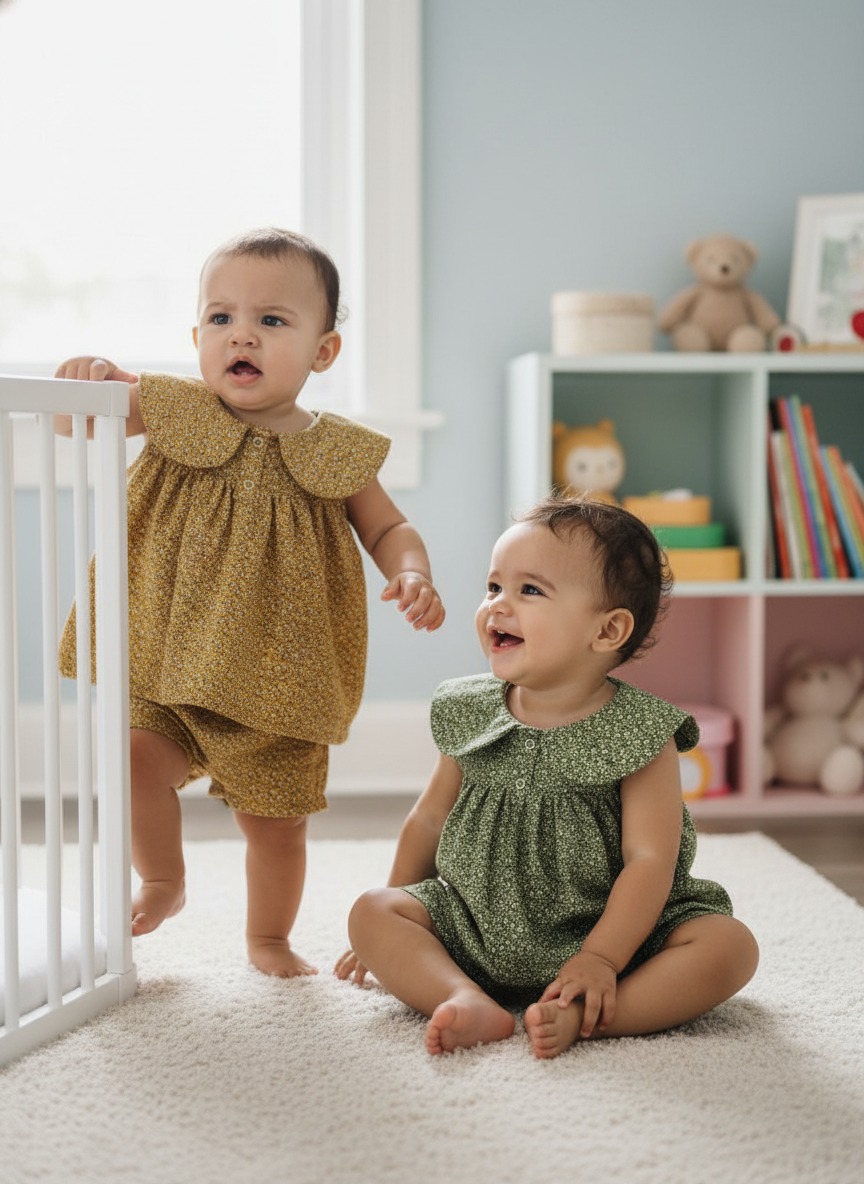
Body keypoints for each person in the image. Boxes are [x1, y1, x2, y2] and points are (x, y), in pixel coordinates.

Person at [55, 227, 445, 979]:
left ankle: (268, 937)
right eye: (222, 317)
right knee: (132, 761)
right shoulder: (171, 408)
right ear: (198, 335)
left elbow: (389, 526)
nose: (243, 334)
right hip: (170, 660)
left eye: (272, 320)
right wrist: (89, 380)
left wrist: (412, 571)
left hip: (280, 678)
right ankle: (163, 880)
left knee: (276, 827)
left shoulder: (337, 452)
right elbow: (80, 419)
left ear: (322, 352)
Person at [335, 495, 758, 1057]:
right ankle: (463, 996)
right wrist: (399, 906)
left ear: (607, 631)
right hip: (474, 925)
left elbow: (650, 860)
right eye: (493, 588)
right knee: (372, 911)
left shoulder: (641, 733)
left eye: (529, 590)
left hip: (611, 935)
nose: (497, 607)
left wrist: (602, 957)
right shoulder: (471, 711)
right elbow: (429, 818)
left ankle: (594, 1011)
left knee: (729, 946)